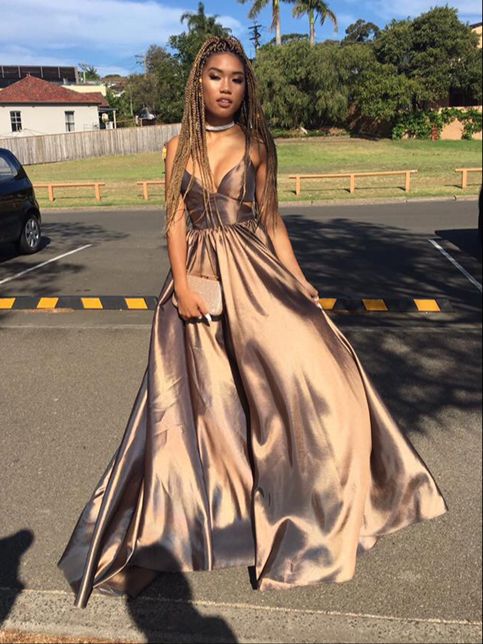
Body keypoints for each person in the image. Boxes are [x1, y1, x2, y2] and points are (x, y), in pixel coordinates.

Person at [57, 36, 448, 609]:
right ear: (198, 82)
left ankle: (329, 502)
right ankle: (201, 519)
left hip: (254, 276)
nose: (226, 87)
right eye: (216, 76)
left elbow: (272, 220)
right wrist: (181, 286)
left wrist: (300, 280)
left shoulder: (258, 144)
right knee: (200, 407)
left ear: (247, 88)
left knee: (311, 376)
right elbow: (173, 221)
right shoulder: (175, 148)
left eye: (237, 79)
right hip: (197, 282)